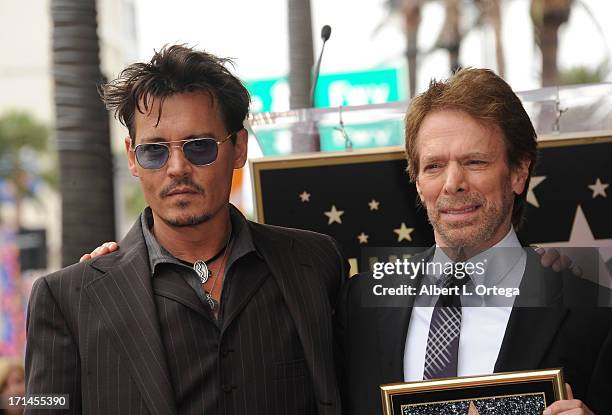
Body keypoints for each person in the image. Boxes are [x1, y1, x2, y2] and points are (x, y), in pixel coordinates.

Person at [25, 45, 348, 415]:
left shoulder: (316, 264)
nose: (177, 167)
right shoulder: (68, 299)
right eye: (154, 151)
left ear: (238, 147)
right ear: (132, 157)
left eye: (199, 147)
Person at [336, 68, 612, 415]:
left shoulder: (594, 314)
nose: (453, 183)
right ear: (418, 182)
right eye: (434, 166)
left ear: (518, 172)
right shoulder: (359, 303)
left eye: (475, 161)